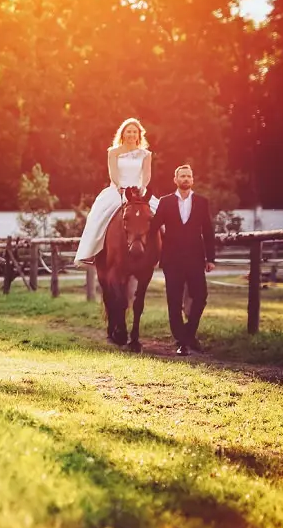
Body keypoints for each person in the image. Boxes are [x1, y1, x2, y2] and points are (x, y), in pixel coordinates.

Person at [147, 164, 216, 356]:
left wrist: (210, 258)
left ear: (192, 180)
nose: (185, 179)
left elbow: (208, 232)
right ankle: (182, 341)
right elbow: (153, 228)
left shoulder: (202, 202)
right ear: (175, 180)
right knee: (174, 301)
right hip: (172, 260)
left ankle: (188, 333)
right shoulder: (165, 201)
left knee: (201, 297)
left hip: (196, 258)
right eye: (182, 176)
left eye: (188, 176)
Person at [74, 118, 159, 265]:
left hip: (139, 191)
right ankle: (90, 253)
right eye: (128, 131)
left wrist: (143, 187)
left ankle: (165, 253)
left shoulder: (146, 154)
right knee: (97, 216)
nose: (131, 134)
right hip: (119, 190)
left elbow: (146, 174)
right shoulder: (113, 152)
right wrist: (119, 186)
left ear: (139, 135)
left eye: (134, 132)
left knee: (162, 216)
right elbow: (113, 172)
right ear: (123, 134)